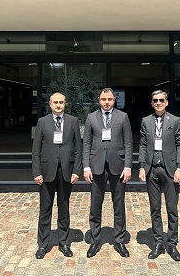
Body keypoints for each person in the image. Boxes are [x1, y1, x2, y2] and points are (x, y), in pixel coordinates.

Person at [82, 87, 133, 258]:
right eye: (104, 99)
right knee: (95, 205)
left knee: (119, 205)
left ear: (114, 100)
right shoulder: (91, 117)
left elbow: (128, 143)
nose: (106, 102)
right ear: (99, 100)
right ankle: (95, 240)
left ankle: (119, 240)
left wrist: (128, 166)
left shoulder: (123, 117)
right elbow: (86, 143)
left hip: (118, 166)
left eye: (110, 99)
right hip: (96, 166)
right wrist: (86, 167)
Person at [31, 92, 82, 259]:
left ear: (65, 103)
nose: (58, 105)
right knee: (45, 209)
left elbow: (78, 148)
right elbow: (36, 150)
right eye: (55, 102)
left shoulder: (73, 121)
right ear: (50, 104)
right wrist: (37, 172)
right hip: (47, 172)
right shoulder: (42, 122)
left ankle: (64, 243)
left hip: (66, 171)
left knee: (64, 209)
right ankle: (42, 244)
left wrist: (76, 170)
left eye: (61, 102)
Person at [138, 90, 180, 262]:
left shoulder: (175, 120)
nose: (158, 103)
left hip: (170, 169)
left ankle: (172, 243)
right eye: (155, 100)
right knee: (155, 208)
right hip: (152, 169)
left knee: (172, 209)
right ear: (152, 103)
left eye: (161, 100)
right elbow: (143, 144)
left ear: (166, 102)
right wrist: (141, 166)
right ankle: (158, 242)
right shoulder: (146, 121)